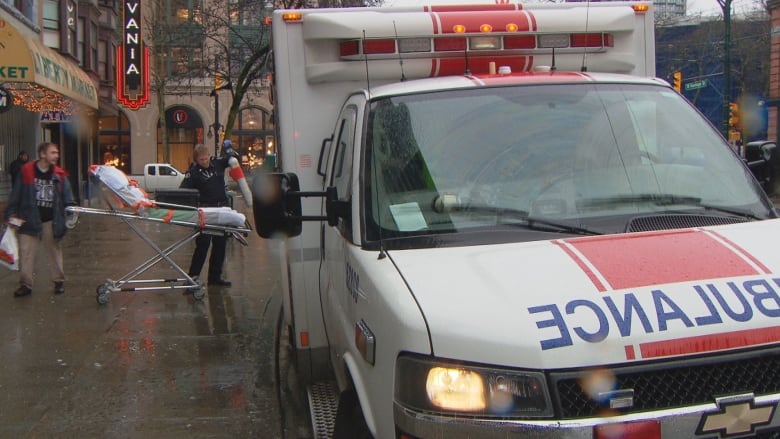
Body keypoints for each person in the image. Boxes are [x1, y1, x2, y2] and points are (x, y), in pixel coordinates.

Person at [6, 142, 77, 297]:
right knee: (26, 253)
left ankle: (58, 281)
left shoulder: (59, 174)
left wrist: (71, 213)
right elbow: (16, 194)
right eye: (53, 152)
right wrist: (11, 214)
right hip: (28, 219)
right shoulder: (26, 171)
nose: (56, 156)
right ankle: (26, 284)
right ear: (42, 154)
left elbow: (68, 197)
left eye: (57, 152)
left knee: (54, 252)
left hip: (51, 221)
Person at [180, 142, 243, 287]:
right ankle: (193, 277)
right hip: (205, 212)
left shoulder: (217, 164)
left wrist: (231, 153)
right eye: (201, 160)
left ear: (209, 155)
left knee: (220, 245)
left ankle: (215, 278)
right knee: (203, 245)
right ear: (196, 160)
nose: (205, 161)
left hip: (221, 210)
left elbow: (232, 160)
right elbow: (183, 192)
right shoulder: (193, 173)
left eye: (206, 158)